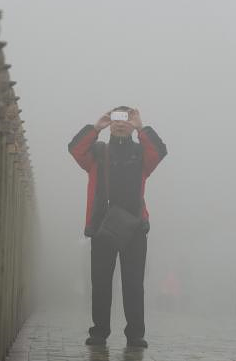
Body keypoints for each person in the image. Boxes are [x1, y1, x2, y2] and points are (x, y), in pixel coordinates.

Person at [68, 107, 168, 349]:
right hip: (102, 225)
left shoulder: (140, 153)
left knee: (134, 283)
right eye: (116, 119)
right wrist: (96, 127)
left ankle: (135, 335)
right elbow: (75, 149)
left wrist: (142, 127)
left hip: (135, 227)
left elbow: (159, 152)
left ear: (131, 125)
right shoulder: (98, 152)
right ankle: (99, 332)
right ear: (110, 124)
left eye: (126, 119)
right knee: (101, 282)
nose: (121, 123)